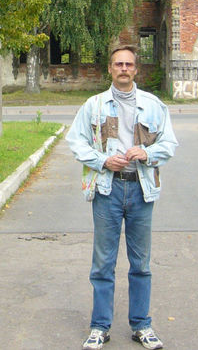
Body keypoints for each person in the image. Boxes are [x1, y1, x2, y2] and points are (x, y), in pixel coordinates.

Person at [66, 44, 178, 350]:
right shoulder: (94, 105)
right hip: (108, 188)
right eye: (119, 64)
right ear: (110, 69)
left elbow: (169, 144)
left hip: (142, 189)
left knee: (140, 262)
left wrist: (146, 152)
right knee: (103, 262)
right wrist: (102, 161)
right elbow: (75, 140)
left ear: (136, 69)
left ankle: (142, 325)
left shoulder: (154, 106)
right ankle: (99, 327)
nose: (124, 69)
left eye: (129, 64)